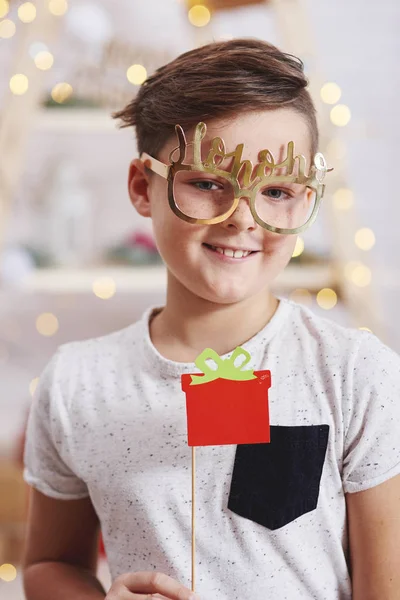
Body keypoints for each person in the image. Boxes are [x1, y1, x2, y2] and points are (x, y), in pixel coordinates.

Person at [22, 38, 400, 600]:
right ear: (141, 187)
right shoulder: (78, 385)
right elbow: (49, 563)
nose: (243, 218)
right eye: (206, 184)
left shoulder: (352, 373)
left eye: (276, 191)